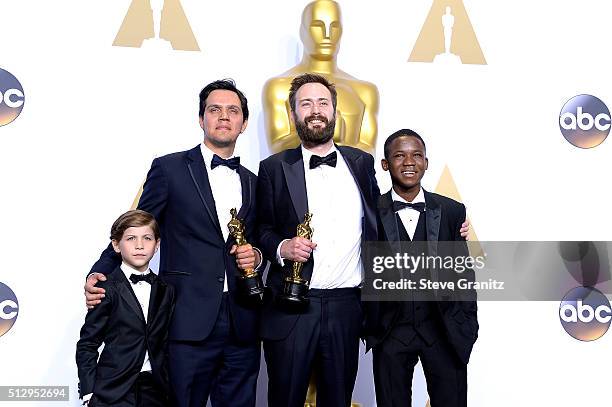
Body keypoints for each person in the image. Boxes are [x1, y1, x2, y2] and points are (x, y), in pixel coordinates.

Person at [85, 80, 262, 407]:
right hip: (185, 320)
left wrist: (258, 256)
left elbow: (258, 240)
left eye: (233, 111)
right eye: (214, 109)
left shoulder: (253, 181)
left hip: (243, 323)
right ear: (201, 119)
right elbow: (135, 224)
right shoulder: (169, 169)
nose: (224, 116)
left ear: (244, 123)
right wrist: (100, 272)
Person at [256, 72, 380, 407]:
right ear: (293, 113)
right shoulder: (273, 168)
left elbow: (380, 222)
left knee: (338, 400)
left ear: (335, 111)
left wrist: (450, 225)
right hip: (292, 305)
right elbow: (260, 229)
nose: (315, 110)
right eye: (306, 103)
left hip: (346, 307)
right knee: (285, 400)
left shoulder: (362, 163)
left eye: (323, 102)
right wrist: (282, 247)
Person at [366, 129, 478, 407]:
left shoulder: (452, 211)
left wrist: (467, 324)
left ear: (426, 163)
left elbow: (463, 272)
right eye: (399, 156)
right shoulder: (368, 211)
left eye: (417, 155)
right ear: (385, 164)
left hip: (443, 331)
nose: (409, 162)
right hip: (390, 332)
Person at [76, 210, 174, 407]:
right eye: (131, 238)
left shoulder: (166, 290)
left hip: (155, 389)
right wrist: (89, 392)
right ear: (116, 245)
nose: (139, 245)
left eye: (147, 238)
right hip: (113, 390)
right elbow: (87, 344)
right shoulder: (105, 288)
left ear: (157, 245)